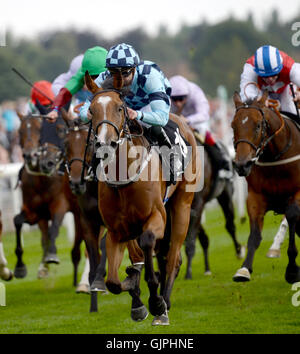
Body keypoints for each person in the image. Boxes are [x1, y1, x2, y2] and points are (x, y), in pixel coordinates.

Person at [80, 43, 184, 185]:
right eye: (114, 73)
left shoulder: (149, 76)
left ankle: (172, 161)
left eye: (125, 73)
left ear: (134, 69)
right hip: (123, 104)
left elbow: (162, 117)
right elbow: (84, 108)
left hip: (149, 103)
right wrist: (87, 114)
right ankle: (95, 166)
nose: (120, 79)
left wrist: (138, 115)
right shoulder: (105, 77)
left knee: (153, 126)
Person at [169, 75, 232, 179]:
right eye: (174, 99)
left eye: (181, 99)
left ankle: (221, 160)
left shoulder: (195, 92)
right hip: (177, 120)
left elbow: (204, 114)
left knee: (203, 131)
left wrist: (188, 121)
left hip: (196, 120)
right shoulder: (166, 94)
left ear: (187, 95)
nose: (178, 103)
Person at [240, 45, 300, 120]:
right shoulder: (250, 69)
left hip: (285, 89)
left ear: (281, 67)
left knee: (291, 111)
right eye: (265, 76)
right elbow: (246, 95)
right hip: (261, 92)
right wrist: (257, 100)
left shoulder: (290, 67)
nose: (270, 79)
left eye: (273, 75)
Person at [47, 46, 108, 120]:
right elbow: (65, 93)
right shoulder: (79, 76)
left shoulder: (115, 74)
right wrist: (55, 110)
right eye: (90, 77)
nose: (93, 82)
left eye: (98, 76)